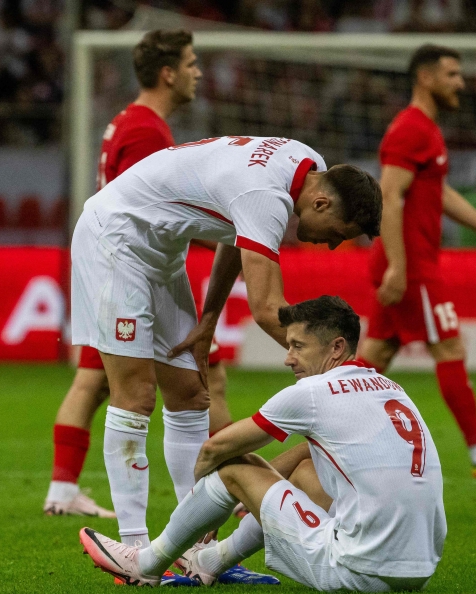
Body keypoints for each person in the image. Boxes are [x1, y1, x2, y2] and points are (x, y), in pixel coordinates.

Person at [71, 131, 382, 553]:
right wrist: (338, 378)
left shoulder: (304, 162)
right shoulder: (267, 194)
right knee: (137, 394)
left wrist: (209, 319)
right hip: (114, 241)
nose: (331, 244)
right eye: (337, 233)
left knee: (190, 394)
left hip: (159, 253)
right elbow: (268, 308)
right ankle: (135, 548)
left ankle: (191, 545)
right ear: (321, 203)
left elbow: (238, 233)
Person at [80, 296, 447, 593]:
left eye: (298, 346)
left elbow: (213, 450)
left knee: (233, 467)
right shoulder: (388, 387)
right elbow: (311, 451)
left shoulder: (313, 393)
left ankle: (146, 563)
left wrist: (208, 506)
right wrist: (256, 493)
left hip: (358, 570)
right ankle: (208, 563)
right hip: (419, 569)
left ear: (336, 347)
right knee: (306, 471)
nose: (288, 358)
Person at [45, 29, 238, 519]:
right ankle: (224, 487)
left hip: (125, 267)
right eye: (192, 63)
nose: (198, 72)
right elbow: (151, 210)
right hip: (133, 271)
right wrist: (226, 232)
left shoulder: (127, 122)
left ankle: (64, 487)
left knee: (97, 383)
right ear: (168, 73)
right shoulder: (148, 130)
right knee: (199, 378)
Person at [356, 44, 476, 478]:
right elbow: (390, 197)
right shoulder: (410, 130)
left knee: (376, 356)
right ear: (425, 77)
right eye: (452, 74)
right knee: (449, 346)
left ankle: (321, 432)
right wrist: (400, 267)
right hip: (412, 265)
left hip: (406, 261)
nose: (461, 82)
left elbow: (439, 193)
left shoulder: (426, 130)